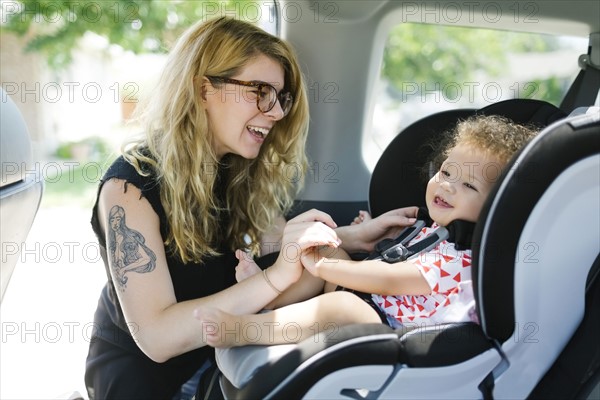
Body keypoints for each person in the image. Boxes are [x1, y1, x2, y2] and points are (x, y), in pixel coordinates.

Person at [85, 16, 417, 399]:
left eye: (280, 96)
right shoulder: (129, 189)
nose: (276, 112)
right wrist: (275, 278)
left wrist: (349, 237)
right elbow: (157, 338)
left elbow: (268, 241)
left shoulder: (235, 167)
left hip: (217, 351)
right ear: (204, 90)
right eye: (260, 91)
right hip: (149, 382)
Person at [194, 115, 538, 348]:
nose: (447, 187)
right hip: (377, 302)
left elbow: (393, 279)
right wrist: (376, 240)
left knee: (342, 305)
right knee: (327, 248)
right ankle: (269, 301)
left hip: (392, 327)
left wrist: (330, 269)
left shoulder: (463, 263)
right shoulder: (434, 232)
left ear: (498, 207)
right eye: (446, 173)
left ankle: (242, 330)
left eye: (468, 185)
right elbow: (393, 260)